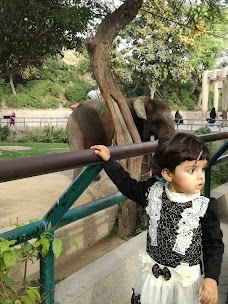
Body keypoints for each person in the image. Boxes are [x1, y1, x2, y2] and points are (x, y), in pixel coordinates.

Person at [90, 132, 224, 304]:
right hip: (152, 282)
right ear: (168, 174)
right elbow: (128, 186)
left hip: (183, 286)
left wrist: (211, 278)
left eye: (202, 168)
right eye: (192, 170)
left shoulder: (204, 206)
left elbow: (214, 244)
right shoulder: (153, 192)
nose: (200, 176)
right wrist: (108, 162)